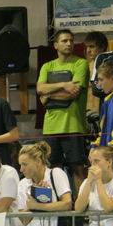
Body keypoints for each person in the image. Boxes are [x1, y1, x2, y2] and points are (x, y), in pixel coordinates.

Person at [37, 29, 89, 191]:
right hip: (51, 127)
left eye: (71, 41)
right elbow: (40, 88)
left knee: (77, 167)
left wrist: (48, 95)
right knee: (53, 169)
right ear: (55, 45)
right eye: (64, 41)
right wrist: (64, 84)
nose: (69, 44)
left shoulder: (81, 64)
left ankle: (82, 204)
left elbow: (72, 94)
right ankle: (59, 202)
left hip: (73, 125)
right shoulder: (47, 66)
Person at [83, 31, 108, 114]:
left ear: (102, 47)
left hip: (105, 112)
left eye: (92, 47)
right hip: (86, 112)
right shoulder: (84, 67)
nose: (88, 50)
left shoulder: (111, 68)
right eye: (87, 47)